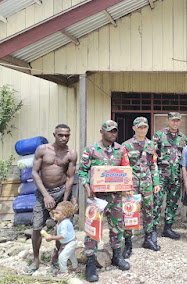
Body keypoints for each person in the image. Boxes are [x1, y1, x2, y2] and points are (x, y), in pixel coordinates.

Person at [79, 120, 130, 282]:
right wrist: (87, 188)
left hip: (115, 196)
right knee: (93, 228)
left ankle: (117, 255)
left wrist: (127, 186)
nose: (113, 133)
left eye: (115, 131)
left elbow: (126, 170)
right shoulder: (91, 150)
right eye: (109, 131)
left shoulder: (121, 150)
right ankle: (91, 263)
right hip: (97, 197)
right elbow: (82, 171)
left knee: (117, 226)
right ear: (101, 131)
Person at [24, 124, 77, 275]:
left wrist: (64, 202)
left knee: (63, 228)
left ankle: (56, 256)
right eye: (60, 135)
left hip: (61, 192)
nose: (64, 138)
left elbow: (70, 177)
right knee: (36, 226)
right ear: (54, 134)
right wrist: (46, 195)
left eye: (67, 135)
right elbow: (34, 173)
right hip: (43, 193)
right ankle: (35, 259)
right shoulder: (42, 150)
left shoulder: (71, 153)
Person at [122, 117, 161, 254]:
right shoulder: (126, 145)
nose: (142, 129)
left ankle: (148, 238)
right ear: (134, 128)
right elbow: (124, 167)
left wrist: (156, 182)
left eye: (144, 127)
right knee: (130, 211)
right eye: (139, 127)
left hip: (147, 183)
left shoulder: (151, 145)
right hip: (132, 184)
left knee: (149, 210)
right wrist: (126, 186)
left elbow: (153, 164)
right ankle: (128, 243)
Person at [152, 112, 187, 240]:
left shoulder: (183, 138)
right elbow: (153, 158)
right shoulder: (159, 135)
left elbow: (185, 159)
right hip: (161, 176)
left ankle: (167, 228)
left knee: (172, 203)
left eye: (177, 120)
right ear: (168, 120)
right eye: (173, 120)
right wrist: (155, 179)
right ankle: (153, 230)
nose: (175, 122)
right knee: (157, 202)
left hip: (176, 176)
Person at [44, 201, 78, 278]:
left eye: (57, 213)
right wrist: (51, 210)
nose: (54, 214)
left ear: (64, 215)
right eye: (55, 212)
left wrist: (52, 237)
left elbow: (63, 235)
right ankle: (75, 267)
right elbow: (54, 214)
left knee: (62, 257)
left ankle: (64, 271)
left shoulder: (64, 223)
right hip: (69, 242)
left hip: (71, 243)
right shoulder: (61, 219)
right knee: (71, 255)